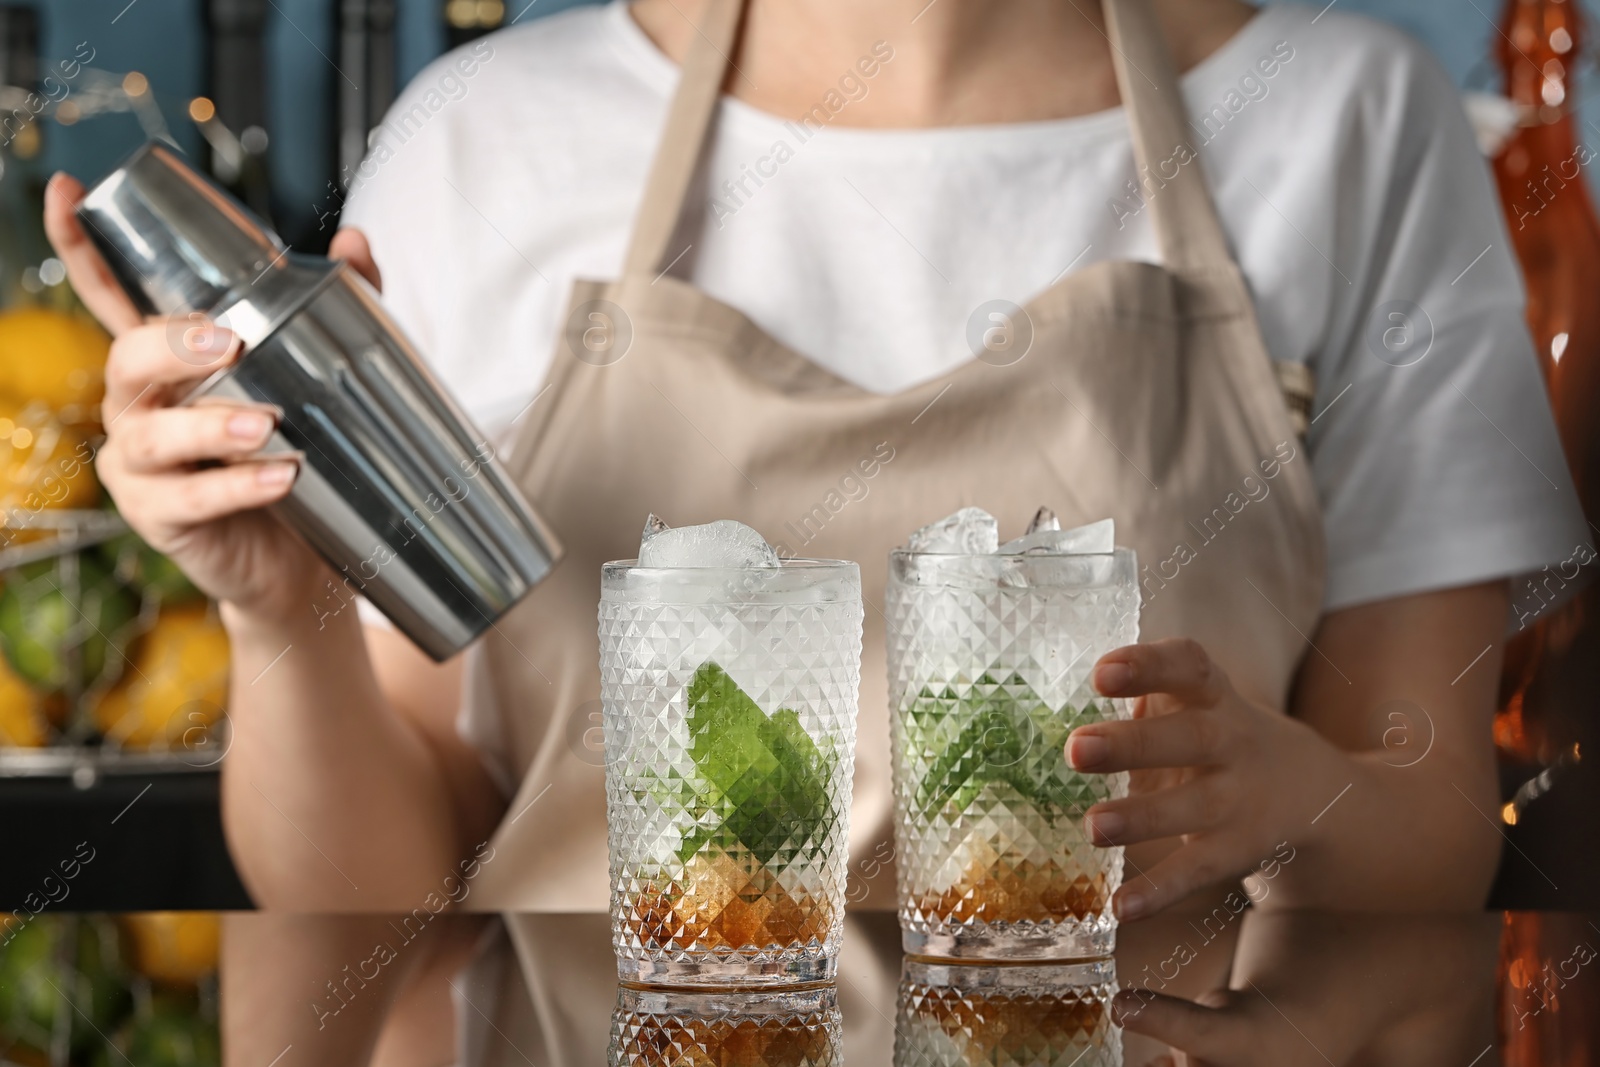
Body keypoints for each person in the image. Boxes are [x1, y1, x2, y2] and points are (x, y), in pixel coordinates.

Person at [45, 0, 1586, 926]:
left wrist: (1301, 797)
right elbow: (378, 903)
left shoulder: (1348, 121)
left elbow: (1431, 833)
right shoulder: (480, 141)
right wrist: (279, 613)